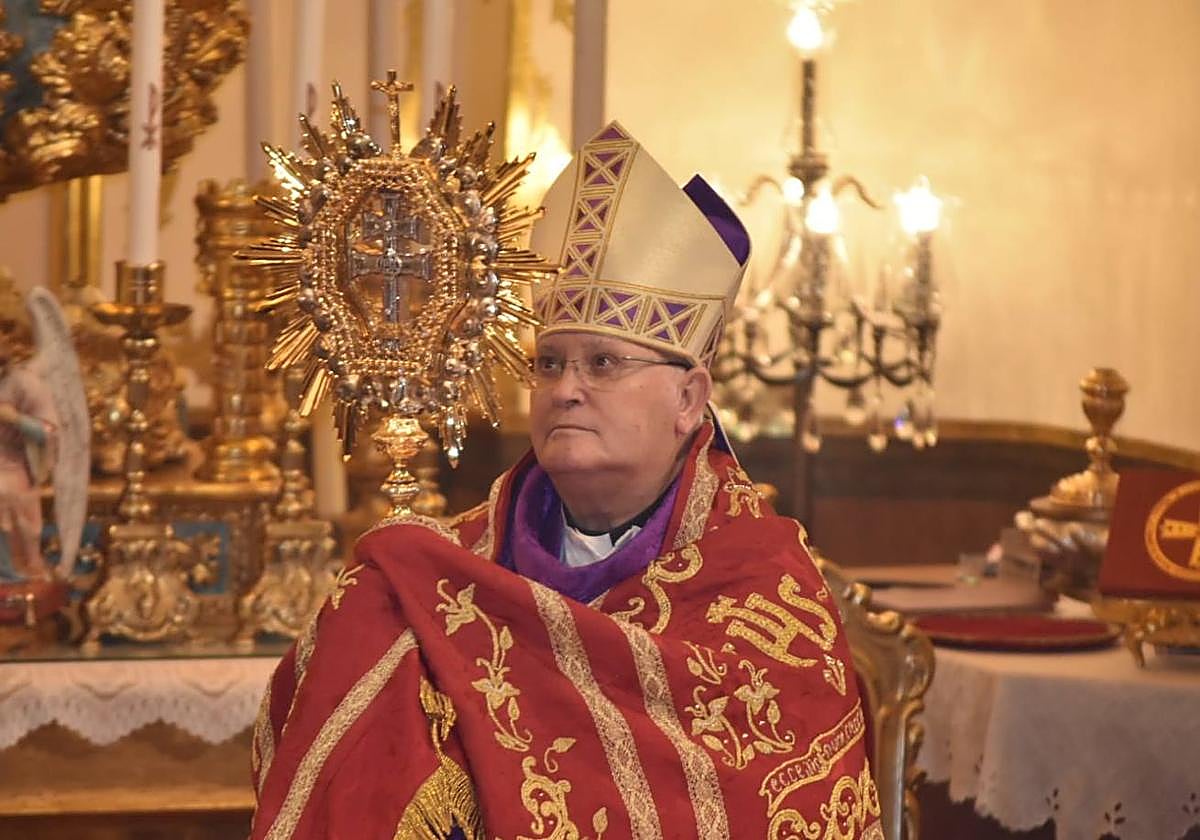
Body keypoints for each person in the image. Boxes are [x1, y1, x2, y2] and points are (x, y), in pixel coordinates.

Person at [250, 123, 879, 840]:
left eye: (602, 364)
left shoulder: (769, 591)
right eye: (549, 364)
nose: (566, 389)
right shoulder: (438, 572)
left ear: (689, 399)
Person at [0, 281, 57, 582]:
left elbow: (49, 431)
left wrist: (16, 420)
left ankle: (16, 571)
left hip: (11, 467)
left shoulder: (25, 383)